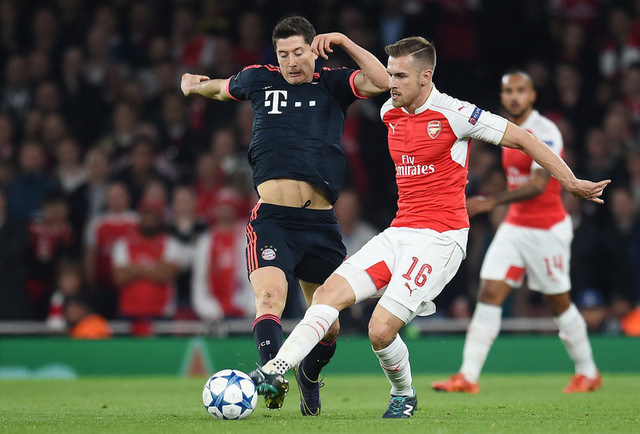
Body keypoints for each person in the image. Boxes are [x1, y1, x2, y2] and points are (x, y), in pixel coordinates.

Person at [249, 37, 610, 418]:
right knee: (326, 295)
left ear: (426, 76)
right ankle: (274, 370)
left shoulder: (456, 113)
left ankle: (403, 393)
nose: (391, 83)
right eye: (390, 74)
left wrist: (570, 182)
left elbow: (521, 138)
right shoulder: (389, 111)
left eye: (400, 76)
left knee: (379, 331)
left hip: (441, 239)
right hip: (400, 232)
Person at [181, 16, 389, 413]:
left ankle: (307, 376)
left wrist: (344, 40)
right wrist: (192, 84)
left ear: (314, 50)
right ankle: (271, 377)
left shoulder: (332, 82)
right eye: (283, 54)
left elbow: (381, 82)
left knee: (329, 324)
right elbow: (220, 89)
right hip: (274, 220)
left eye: (298, 52)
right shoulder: (258, 78)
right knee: (270, 297)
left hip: (321, 223)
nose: (291, 61)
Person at [431, 71, 602, 395]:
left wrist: (491, 201)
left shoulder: (546, 131)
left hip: (547, 230)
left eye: (520, 90)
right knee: (489, 293)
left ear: (532, 95)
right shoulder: (507, 129)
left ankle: (588, 372)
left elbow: (538, 184)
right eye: (508, 91)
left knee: (559, 304)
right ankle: (468, 376)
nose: (514, 97)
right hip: (515, 227)